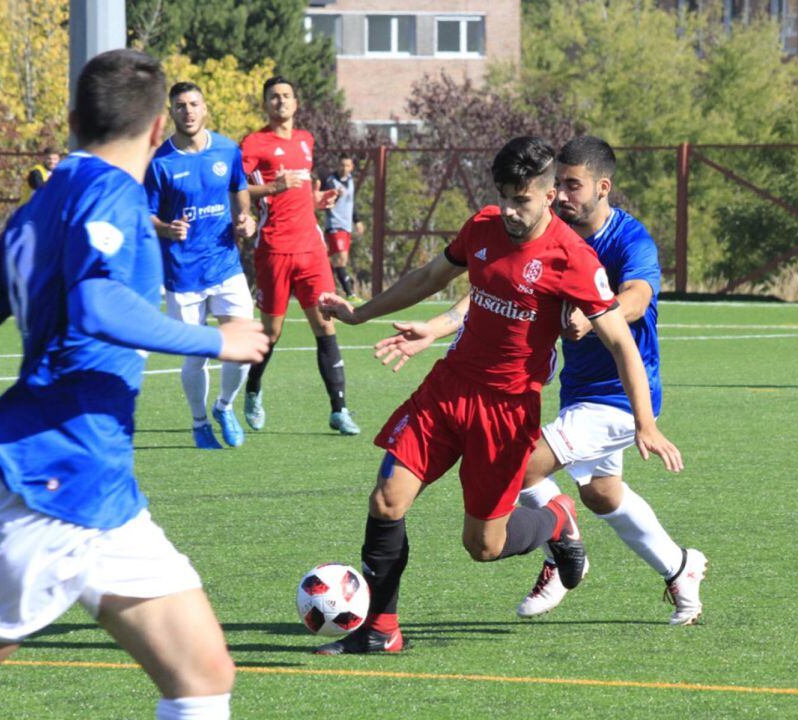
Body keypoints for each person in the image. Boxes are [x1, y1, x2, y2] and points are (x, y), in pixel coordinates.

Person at [0, 49, 269, 718]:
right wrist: (219, 340)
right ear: (159, 128)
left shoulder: (40, 206)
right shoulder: (113, 196)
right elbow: (97, 304)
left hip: (98, 488)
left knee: (202, 674)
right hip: (52, 489)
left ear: (74, 120)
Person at [313, 136, 683, 655]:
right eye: (503, 196)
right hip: (447, 391)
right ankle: (381, 629)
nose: (509, 210)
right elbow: (431, 276)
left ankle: (555, 520)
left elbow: (622, 341)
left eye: (521, 199)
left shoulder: (573, 258)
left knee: (483, 546)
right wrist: (361, 312)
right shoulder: (484, 226)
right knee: (387, 499)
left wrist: (645, 423)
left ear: (549, 196)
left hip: (506, 412)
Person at [240, 76, 359, 435]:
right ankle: (253, 389)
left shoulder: (306, 140)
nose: (281, 101)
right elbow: (236, 188)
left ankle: (339, 409)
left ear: (295, 103)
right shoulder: (254, 143)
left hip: (311, 248)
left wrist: (316, 201)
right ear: (265, 104)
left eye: (286, 95)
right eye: (274, 97)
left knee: (325, 323)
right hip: (274, 249)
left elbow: (301, 191)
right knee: (271, 332)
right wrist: (273, 187)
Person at [145, 81, 257, 449]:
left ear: (205, 109)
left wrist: (246, 218)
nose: (188, 111)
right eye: (180, 105)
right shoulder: (160, 162)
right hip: (183, 274)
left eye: (194, 104)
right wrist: (166, 228)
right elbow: (144, 215)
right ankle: (199, 422)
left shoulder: (227, 149)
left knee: (242, 347)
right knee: (196, 357)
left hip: (225, 264)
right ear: (171, 113)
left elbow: (239, 189)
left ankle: (224, 406)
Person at [322, 154, 366, 304]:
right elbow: (325, 202)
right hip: (335, 225)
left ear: (351, 167)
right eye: (342, 165)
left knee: (338, 260)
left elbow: (351, 203)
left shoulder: (351, 180)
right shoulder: (331, 181)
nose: (344, 168)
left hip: (346, 226)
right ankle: (349, 293)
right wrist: (336, 196)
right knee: (340, 259)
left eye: (347, 165)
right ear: (338, 166)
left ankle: (322, 283)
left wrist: (357, 221)